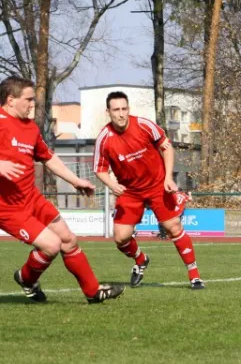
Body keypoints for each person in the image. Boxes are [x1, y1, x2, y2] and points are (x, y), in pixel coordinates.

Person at [0, 76, 125, 304]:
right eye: (28, 99)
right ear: (10, 100)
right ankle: (27, 279)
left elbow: (48, 158)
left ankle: (93, 291)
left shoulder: (30, 128)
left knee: (68, 239)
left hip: (32, 199)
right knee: (51, 245)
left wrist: (76, 180)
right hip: (8, 208)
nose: (32, 104)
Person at [93, 91, 204, 289]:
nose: (121, 114)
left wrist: (168, 177)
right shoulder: (104, 138)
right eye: (116, 109)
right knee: (120, 237)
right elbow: (99, 169)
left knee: (174, 227)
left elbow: (167, 147)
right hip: (129, 192)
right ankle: (141, 259)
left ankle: (195, 277)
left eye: (124, 109)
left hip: (156, 186)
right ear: (108, 112)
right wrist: (111, 184)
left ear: (129, 109)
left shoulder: (144, 125)